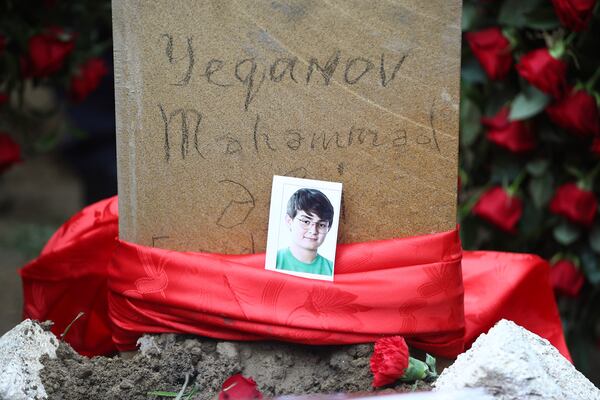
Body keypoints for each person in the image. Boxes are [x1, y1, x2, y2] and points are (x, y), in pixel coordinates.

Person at [276, 188, 334, 276]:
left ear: (328, 228)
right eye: (306, 222)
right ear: (289, 221)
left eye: (321, 225)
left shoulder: (331, 269)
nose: (313, 231)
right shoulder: (274, 260)